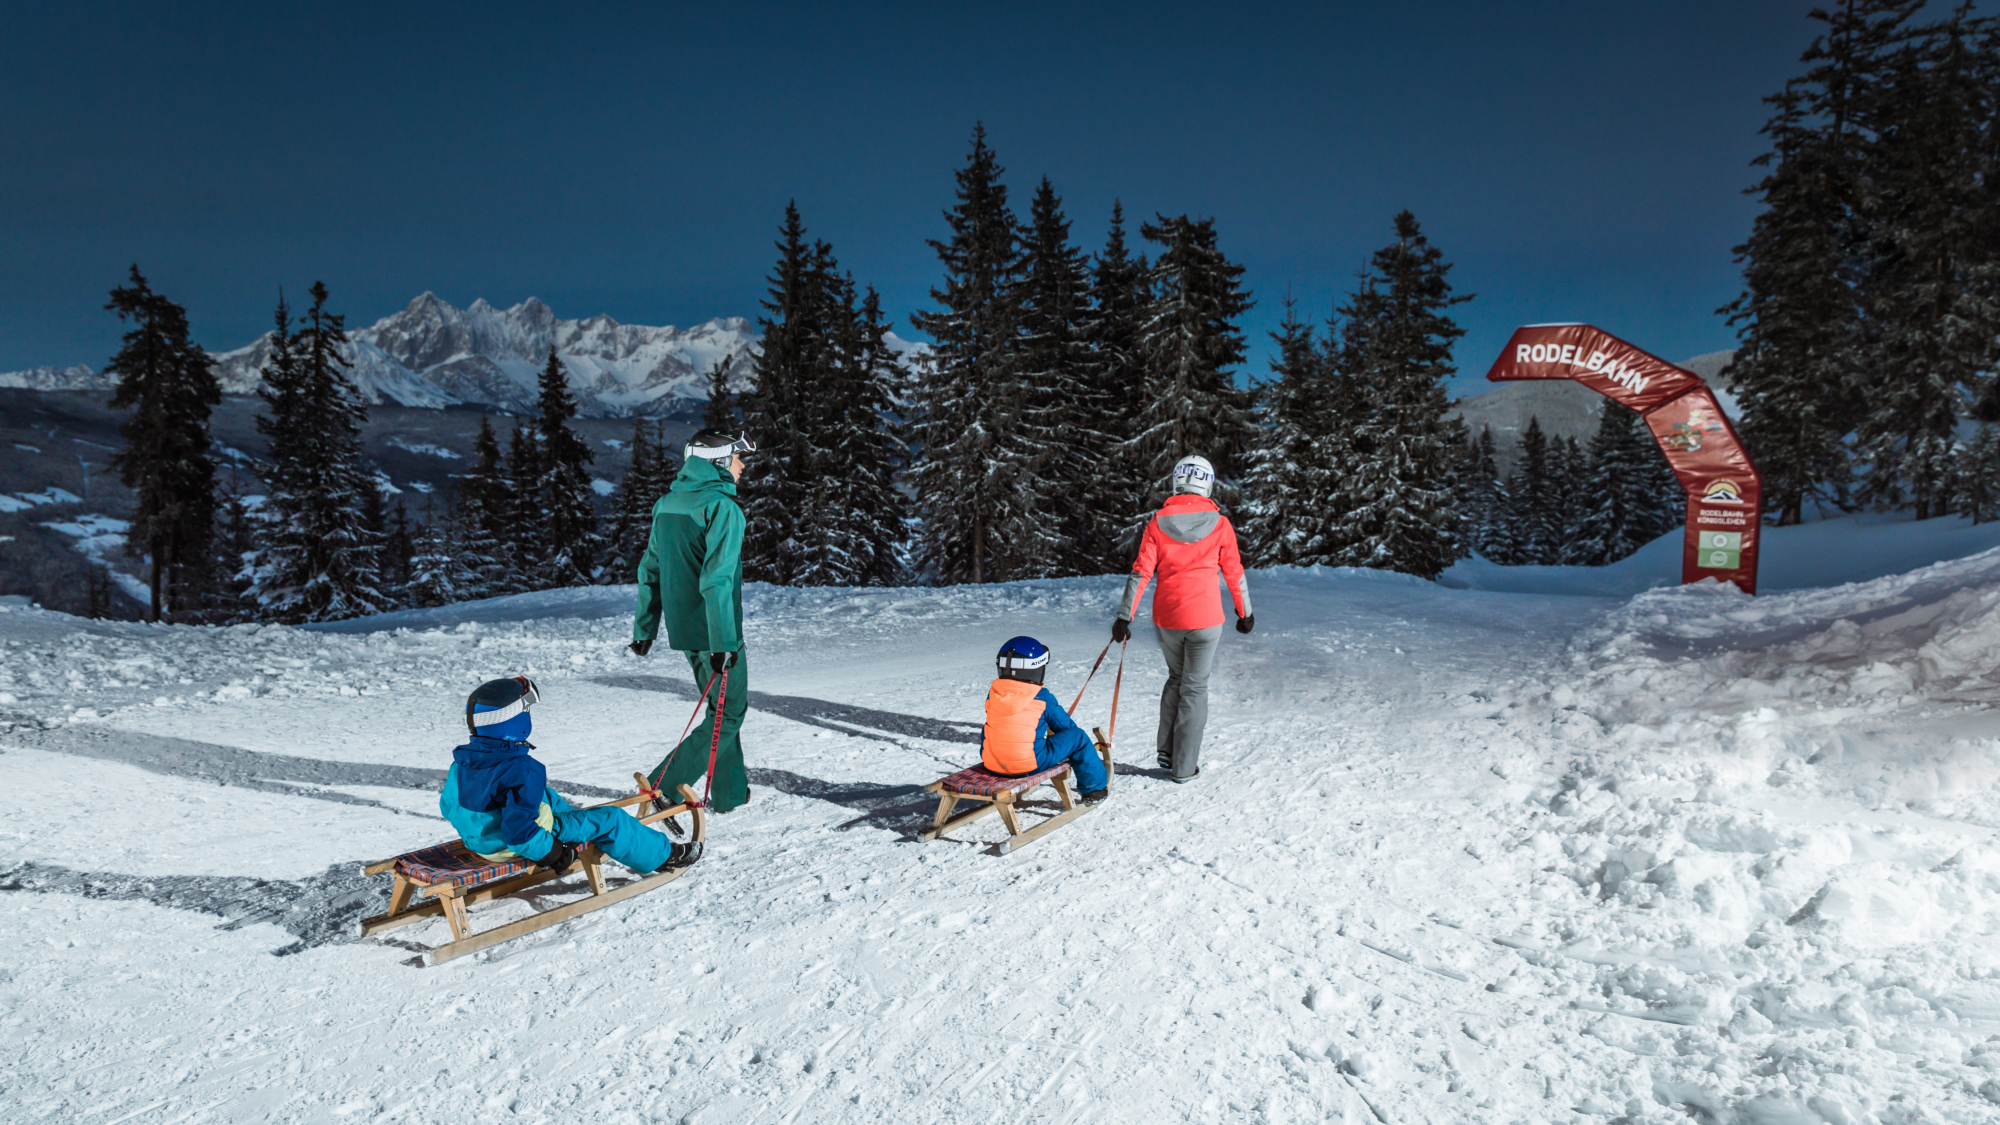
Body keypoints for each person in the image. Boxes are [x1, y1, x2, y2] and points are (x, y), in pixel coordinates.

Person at [440, 675, 699, 872]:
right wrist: (553, 854)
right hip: (507, 846)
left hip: (480, 840)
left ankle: (571, 824)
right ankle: (664, 856)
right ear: (514, 722)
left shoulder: (463, 761)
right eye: (525, 711)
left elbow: (449, 807)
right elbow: (519, 835)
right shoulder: (522, 770)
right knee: (612, 819)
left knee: (543, 795)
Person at [630, 430, 755, 814]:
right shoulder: (722, 508)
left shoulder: (667, 504)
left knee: (720, 710)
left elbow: (650, 568)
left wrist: (644, 629)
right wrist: (724, 643)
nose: (743, 465)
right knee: (730, 711)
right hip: (717, 633)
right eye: (737, 458)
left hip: (684, 631)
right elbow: (717, 580)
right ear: (717, 461)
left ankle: (730, 793)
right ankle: (664, 785)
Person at [1110, 454, 1253, 784]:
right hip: (1205, 620)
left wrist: (1124, 616)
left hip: (1168, 618)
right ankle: (1184, 768)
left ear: (1177, 480)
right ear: (1208, 483)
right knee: (1194, 687)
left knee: (1177, 678)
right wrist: (1245, 613)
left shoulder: (1157, 523)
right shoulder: (1220, 524)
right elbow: (1234, 572)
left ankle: (1167, 750)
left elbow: (1141, 572)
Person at [982, 636, 1109, 802]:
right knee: (1078, 737)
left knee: (995, 727)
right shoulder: (1041, 696)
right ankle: (1094, 789)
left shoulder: (994, 694)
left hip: (992, 764)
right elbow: (1066, 728)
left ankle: (1003, 758)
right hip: (1029, 765)